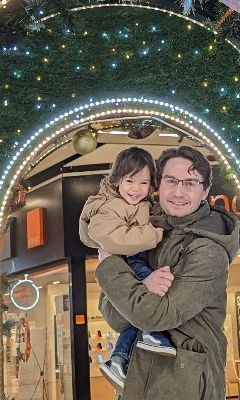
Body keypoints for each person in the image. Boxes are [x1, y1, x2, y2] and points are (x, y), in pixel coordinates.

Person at [96, 145, 240, 400]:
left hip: (184, 386)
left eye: (190, 183)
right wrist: (142, 289)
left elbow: (155, 316)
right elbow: (116, 318)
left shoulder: (209, 249)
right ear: (158, 185)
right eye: (171, 181)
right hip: (138, 382)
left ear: (205, 190)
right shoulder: (146, 236)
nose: (178, 192)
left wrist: (110, 265)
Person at [79, 146, 177, 392]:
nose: (136, 189)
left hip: (134, 259)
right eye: (129, 181)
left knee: (134, 319)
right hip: (128, 261)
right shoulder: (111, 205)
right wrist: (152, 235)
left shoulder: (141, 204)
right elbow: (110, 237)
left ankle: (119, 360)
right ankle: (153, 331)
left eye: (143, 183)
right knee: (149, 297)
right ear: (117, 180)